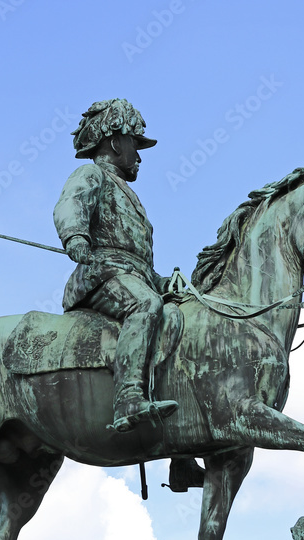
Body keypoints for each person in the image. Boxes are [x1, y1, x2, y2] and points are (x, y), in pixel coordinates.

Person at [53, 98, 179, 432]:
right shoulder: (91, 174)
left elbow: (136, 260)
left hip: (130, 274)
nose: (138, 156)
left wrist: (164, 282)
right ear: (114, 142)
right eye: (134, 146)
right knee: (146, 304)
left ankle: (181, 458)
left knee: (179, 315)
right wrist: (76, 236)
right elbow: (71, 203)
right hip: (102, 274)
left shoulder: (128, 194)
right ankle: (128, 398)